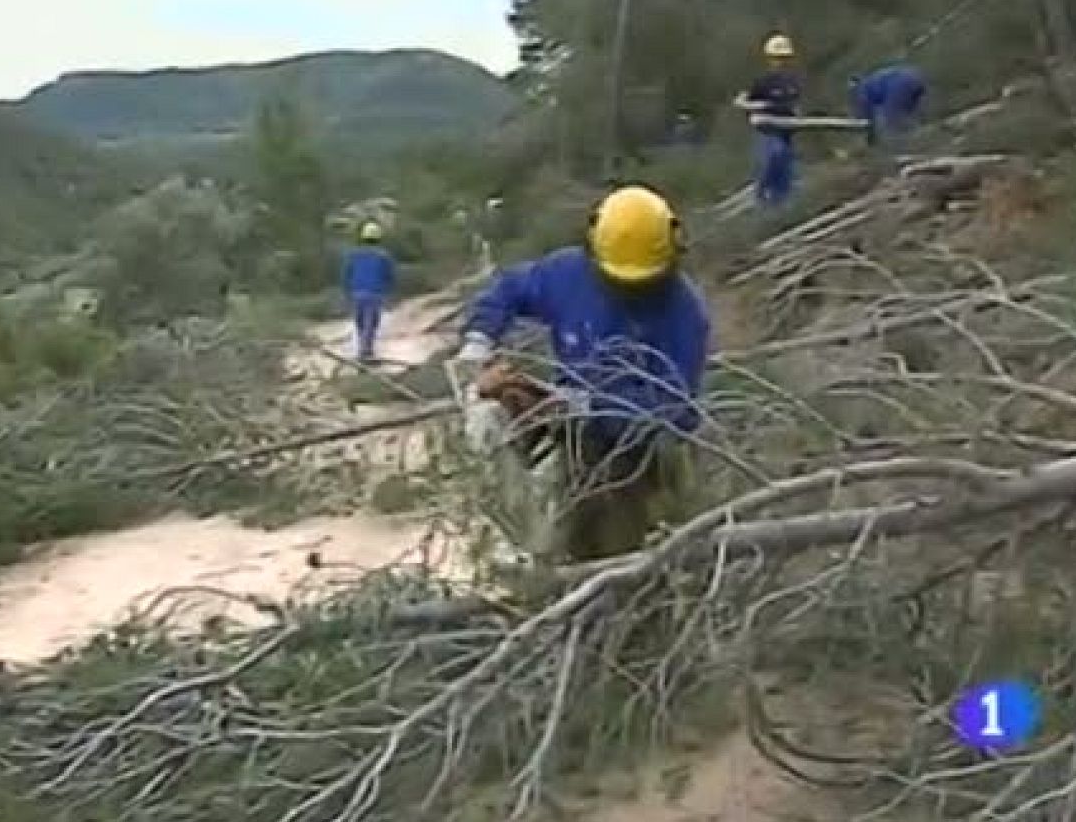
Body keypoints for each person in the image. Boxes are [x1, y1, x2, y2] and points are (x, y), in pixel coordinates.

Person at [451, 185, 712, 564]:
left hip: (644, 454)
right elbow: (508, 290)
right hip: (575, 433)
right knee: (489, 424)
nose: (628, 288)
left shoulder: (684, 313)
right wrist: (479, 342)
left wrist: (588, 405)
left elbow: (676, 410)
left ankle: (628, 579)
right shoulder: (567, 275)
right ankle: (540, 555)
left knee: (626, 551)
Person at [734, 34, 803, 207]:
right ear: (770, 59)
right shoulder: (763, 82)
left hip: (786, 134)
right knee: (772, 160)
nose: (782, 63)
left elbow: (795, 104)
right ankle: (762, 201)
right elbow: (741, 102)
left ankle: (780, 209)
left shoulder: (793, 82)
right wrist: (761, 105)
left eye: (785, 59)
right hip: (768, 133)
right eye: (778, 59)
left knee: (786, 171)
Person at [341, 220, 395, 361]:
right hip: (375, 293)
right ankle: (365, 353)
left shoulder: (354, 255)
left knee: (360, 323)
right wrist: (389, 293)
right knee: (370, 324)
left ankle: (363, 349)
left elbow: (347, 273)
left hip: (356, 293)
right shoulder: (384, 256)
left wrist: (347, 291)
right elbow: (389, 276)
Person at [849, 63, 927, 147]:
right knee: (909, 111)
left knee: (892, 119)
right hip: (915, 77)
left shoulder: (864, 89)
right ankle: (920, 133)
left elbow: (869, 115)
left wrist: (870, 136)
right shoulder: (873, 79)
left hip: (899, 84)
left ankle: (908, 142)